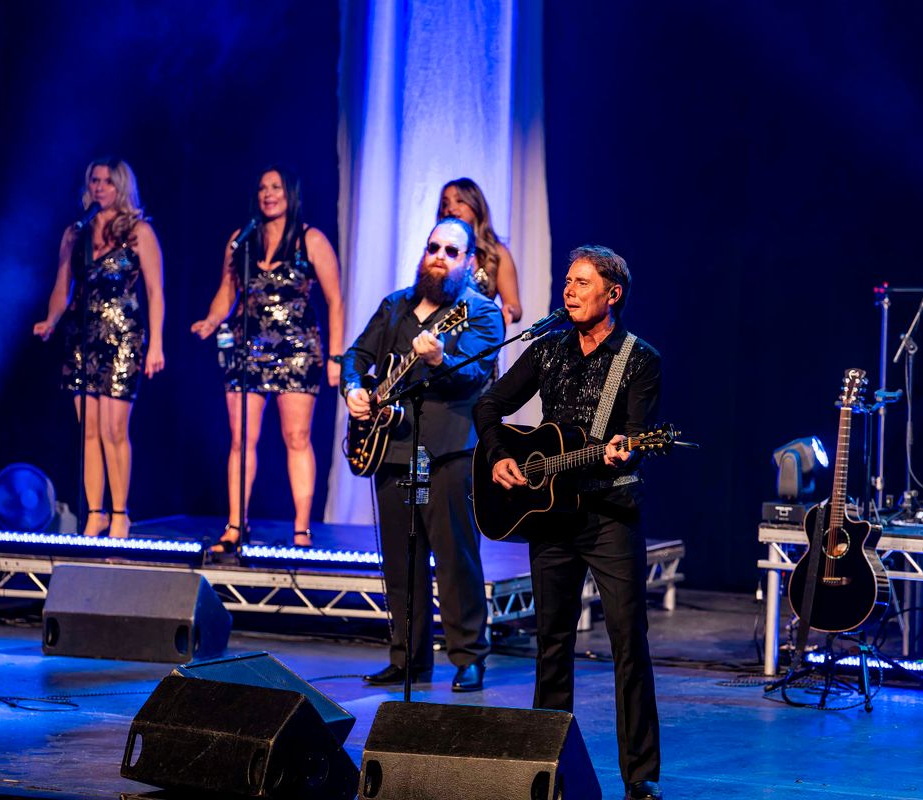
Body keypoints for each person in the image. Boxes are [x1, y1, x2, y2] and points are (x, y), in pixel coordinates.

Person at [473, 245, 664, 800]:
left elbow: (634, 435)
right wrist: (499, 457)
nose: (570, 291)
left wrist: (625, 450)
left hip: (610, 516)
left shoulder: (640, 359)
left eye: (582, 283)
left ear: (613, 294)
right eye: (567, 281)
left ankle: (641, 777)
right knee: (551, 644)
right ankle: (546, 767)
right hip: (551, 516)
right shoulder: (548, 347)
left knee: (629, 644)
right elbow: (489, 406)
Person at [342, 217, 502, 692]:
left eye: (452, 251)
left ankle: (469, 656)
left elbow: (473, 378)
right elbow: (356, 355)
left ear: (469, 262)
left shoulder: (482, 313)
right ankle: (407, 658)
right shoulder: (395, 306)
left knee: (456, 561)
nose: (440, 256)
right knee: (400, 561)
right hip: (391, 450)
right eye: (434, 247)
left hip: (448, 452)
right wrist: (354, 388)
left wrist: (438, 359)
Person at [191, 167, 344, 551]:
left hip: (296, 350)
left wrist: (337, 357)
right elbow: (227, 294)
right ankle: (235, 526)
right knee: (242, 438)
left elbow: (335, 299)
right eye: (261, 187)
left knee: (297, 436)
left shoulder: (311, 239)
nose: (268, 194)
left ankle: (302, 530)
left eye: (275, 187)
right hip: (248, 349)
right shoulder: (242, 240)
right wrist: (212, 320)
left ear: (291, 193)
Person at [33, 158, 165, 538]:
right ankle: (95, 512)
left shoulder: (138, 231)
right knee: (88, 430)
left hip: (122, 335)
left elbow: (155, 291)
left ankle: (121, 512)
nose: (100, 187)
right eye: (95, 180)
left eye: (108, 181)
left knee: (113, 429)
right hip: (82, 335)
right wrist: (51, 320)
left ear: (121, 186)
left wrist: (156, 343)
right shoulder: (75, 233)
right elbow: (64, 286)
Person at [438, 178, 523, 330]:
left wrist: (508, 311)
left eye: (459, 201)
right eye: (445, 204)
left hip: (477, 337)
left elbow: (515, 307)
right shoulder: (439, 251)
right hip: (440, 336)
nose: (450, 209)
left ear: (476, 206)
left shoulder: (497, 252)